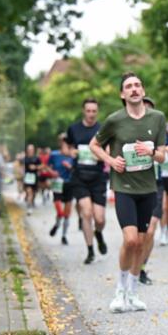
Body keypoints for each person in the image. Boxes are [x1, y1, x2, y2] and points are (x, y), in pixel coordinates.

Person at [88, 73, 167, 313]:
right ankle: (120, 290)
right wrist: (111, 161)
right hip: (123, 187)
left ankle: (133, 293)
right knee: (130, 240)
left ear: (143, 91)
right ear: (123, 94)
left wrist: (151, 152)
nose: (133, 89)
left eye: (137, 85)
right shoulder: (115, 120)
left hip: (148, 187)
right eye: (128, 87)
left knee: (141, 243)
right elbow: (94, 145)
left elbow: (163, 155)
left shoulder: (157, 118)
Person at [137, 96, 168, 284]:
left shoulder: (160, 130)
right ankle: (132, 266)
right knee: (135, 234)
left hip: (156, 184)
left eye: (150, 109)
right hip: (134, 184)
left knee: (150, 230)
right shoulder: (128, 128)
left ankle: (142, 268)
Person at [66, 98, 110, 264]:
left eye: (94, 111)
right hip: (79, 176)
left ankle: (98, 233)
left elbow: (108, 149)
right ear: (83, 111)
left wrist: (102, 153)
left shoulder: (103, 129)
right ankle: (90, 250)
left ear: (97, 112)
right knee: (86, 212)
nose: (91, 114)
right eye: (88, 111)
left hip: (98, 177)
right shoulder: (74, 129)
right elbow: (68, 147)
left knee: (99, 219)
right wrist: (72, 152)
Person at [48, 135, 75, 244]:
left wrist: (70, 167)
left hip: (69, 184)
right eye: (65, 143)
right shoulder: (54, 155)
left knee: (67, 212)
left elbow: (77, 170)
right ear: (60, 144)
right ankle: (57, 224)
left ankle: (64, 235)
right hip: (57, 183)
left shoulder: (73, 156)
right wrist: (52, 172)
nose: (67, 146)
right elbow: (47, 166)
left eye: (69, 144)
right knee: (59, 210)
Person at [22, 144, 40, 215]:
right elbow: (20, 166)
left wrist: (35, 167)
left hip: (34, 177)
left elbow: (42, 166)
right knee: (29, 192)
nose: (30, 151)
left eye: (31, 149)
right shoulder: (24, 158)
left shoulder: (36, 158)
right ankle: (29, 207)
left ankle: (32, 202)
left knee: (34, 192)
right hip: (27, 177)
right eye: (28, 149)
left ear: (33, 150)